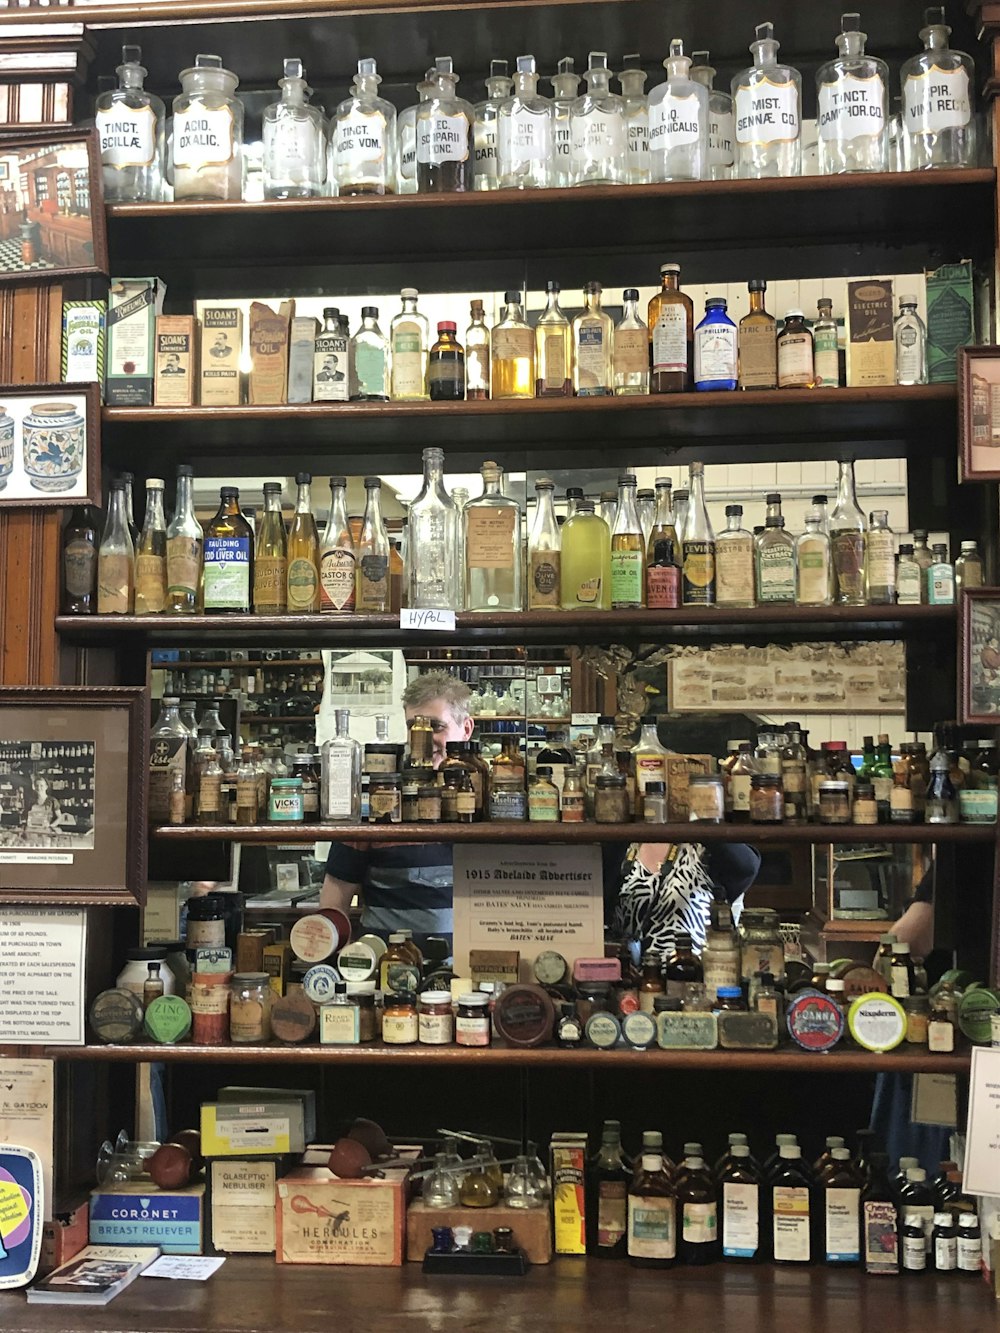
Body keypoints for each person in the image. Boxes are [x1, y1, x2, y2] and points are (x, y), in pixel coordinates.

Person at [321, 671, 760, 953]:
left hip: (484, 970)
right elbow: (336, 896)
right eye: (414, 726)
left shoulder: (494, 801)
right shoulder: (376, 803)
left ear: (466, 729)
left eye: (435, 726)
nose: (424, 738)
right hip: (393, 966)